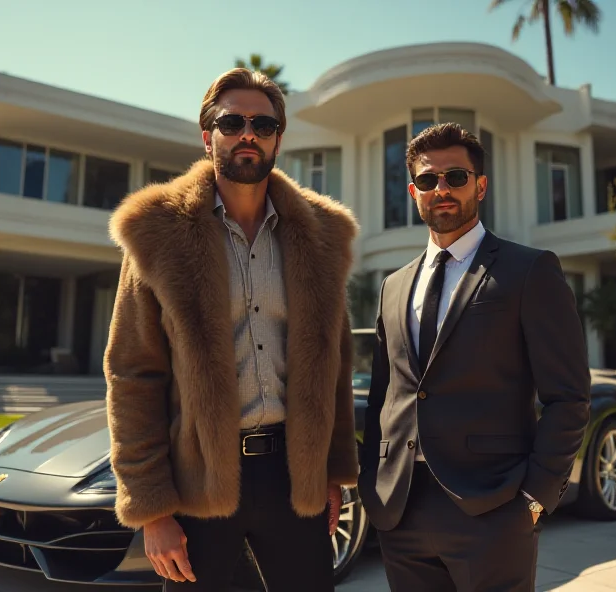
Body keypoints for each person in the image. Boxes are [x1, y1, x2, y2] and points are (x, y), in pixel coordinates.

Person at [103, 68, 359, 592]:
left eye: (263, 124)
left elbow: (333, 363)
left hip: (295, 479)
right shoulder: (159, 233)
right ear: (207, 135)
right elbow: (132, 374)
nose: (249, 134)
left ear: (278, 139)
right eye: (233, 122)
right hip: (199, 481)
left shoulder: (323, 235)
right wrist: (152, 509)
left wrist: (332, 472)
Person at [358, 122, 591, 592]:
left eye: (456, 177)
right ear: (413, 191)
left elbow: (568, 397)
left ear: (480, 185)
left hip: (493, 509)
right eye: (428, 180)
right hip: (400, 508)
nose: (441, 188)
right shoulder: (393, 286)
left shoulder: (530, 270)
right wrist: (371, 484)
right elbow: (385, 394)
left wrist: (535, 499)